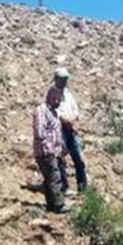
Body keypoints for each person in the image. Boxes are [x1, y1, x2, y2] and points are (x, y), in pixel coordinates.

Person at [52, 67, 87, 195]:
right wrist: (70, 119)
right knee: (60, 158)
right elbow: (59, 115)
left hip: (70, 129)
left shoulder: (68, 94)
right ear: (56, 79)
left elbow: (76, 111)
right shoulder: (53, 94)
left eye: (66, 79)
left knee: (78, 158)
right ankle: (64, 187)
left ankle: (82, 187)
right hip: (59, 130)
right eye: (62, 79)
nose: (65, 81)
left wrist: (72, 119)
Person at [32, 87, 67, 213]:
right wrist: (50, 147)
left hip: (53, 151)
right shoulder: (42, 111)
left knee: (49, 179)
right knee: (54, 177)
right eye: (56, 99)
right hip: (46, 151)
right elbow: (39, 132)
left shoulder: (54, 113)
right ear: (50, 97)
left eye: (60, 99)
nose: (58, 102)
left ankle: (51, 205)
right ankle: (59, 204)